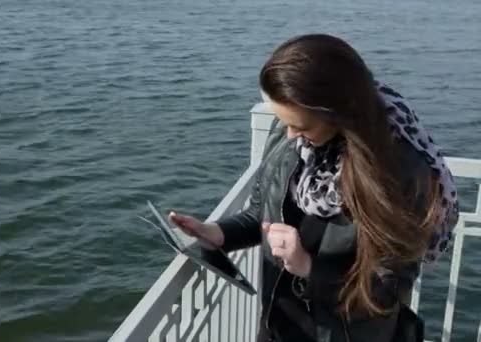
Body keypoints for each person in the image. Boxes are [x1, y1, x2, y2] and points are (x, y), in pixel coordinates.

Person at [169, 34, 459, 342]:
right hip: (281, 325)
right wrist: (218, 233)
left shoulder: (401, 171)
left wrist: (308, 267)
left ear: (339, 113)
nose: (291, 135)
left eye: (301, 126)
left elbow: (387, 289)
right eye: (284, 121)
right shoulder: (293, 134)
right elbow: (262, 213)